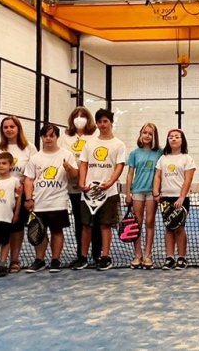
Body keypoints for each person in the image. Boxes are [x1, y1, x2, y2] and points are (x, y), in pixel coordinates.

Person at [0, 116, 37, 274]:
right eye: (5, 127)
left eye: (12, 126)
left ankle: (14, 260)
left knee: (17, 227)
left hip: (20, 193)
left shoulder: (29, 148)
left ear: (18, 128)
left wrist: (26, 193)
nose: (9, 130)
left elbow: (33, 171)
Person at [23, 124, 78, 273]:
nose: (48, 138)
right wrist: (29, 199)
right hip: (39, 202)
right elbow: (28, 180)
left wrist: (69, 169)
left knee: (57, 231)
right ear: (41, 137)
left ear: (57, 137)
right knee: (39, 232)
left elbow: (74, 177)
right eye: (45, 136)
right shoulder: (35, 158)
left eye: (51, 135)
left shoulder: (67, 155)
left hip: (58, 201)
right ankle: (39, 260)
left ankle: (55, 260)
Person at [77, 108, 126, 271]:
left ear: (111, 122)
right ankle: (83, 257)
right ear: (96, 124)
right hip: (88, 192)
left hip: (109, 193)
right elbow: (83, 164)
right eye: (100, 121)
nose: (103, 124)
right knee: (86, 225)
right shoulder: (90, 143)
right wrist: (82, 182)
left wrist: (110, 182)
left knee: (105, 225)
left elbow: (119, 166)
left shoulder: (119, 144)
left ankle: (105, 257)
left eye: (105, 121)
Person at [58, 107, 101, 268]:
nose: (79, 118)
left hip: (91, 186)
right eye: (76, 116)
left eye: (83, 116)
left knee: (95, 220)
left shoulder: (95, 135)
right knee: (80, 221)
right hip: (73, 187)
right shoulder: (65, 137)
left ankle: (97, 254)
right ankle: (81, 255)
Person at [154, 128, 196, 270]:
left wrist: (182, 197)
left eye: (177, 137)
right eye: (171, 137)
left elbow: (188, 180)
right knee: (168, 228)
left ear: (182, 140)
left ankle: (182, 258)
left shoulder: (187, 159)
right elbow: (157, 176)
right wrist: (156, 192)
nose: (173, 139)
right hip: (165, 198)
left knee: (179, 228)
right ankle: (170, 258)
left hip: (181, 199)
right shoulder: (163, 158)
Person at [124, 123, 161, 269]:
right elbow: (130, 174)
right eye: (145, 132)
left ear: (154, 136)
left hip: (152, 192)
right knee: (137, 224)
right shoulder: (134, 153)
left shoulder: (159, 153)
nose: (147, 136)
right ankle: (138, 255)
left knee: (150, 222)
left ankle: (147, 255)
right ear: (140, 134)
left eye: (150, 133)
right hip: (137, 191)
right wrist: (128, 193)